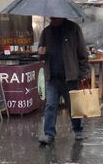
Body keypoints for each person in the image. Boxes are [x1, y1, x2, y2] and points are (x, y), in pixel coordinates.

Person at [37, 16, 90, 144]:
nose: (52, 19)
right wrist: (41, 53)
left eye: (55, 17)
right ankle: (49, 134)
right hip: (52, 76)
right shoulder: (46, 32)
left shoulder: (73, 29)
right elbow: (41, 52)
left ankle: (77, 130)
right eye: (51, 17)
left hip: (70, 76)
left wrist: (84, 74)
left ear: (61, 16)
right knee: (50, 105)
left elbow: (82, 53)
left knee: (73, 106)